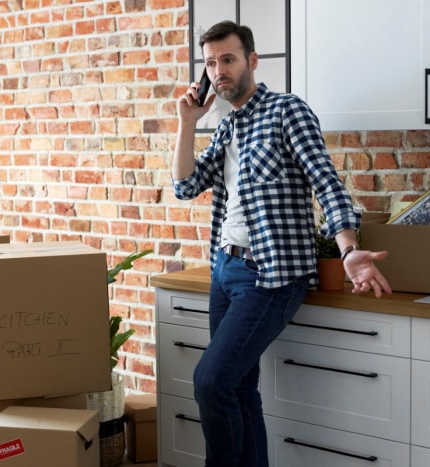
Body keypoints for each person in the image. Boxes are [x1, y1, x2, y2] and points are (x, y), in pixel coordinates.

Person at [172, 21, 392, 467]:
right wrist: (187, 123)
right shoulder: (226, 128)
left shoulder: (287, 111)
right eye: (211, 63)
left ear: (252, 61)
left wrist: (348, 250)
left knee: (210, 382)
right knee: (237, 388)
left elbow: (325, 182)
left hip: (269, 276)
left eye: (228, 59)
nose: (219, 71)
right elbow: (185, 185)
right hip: (224, 271)